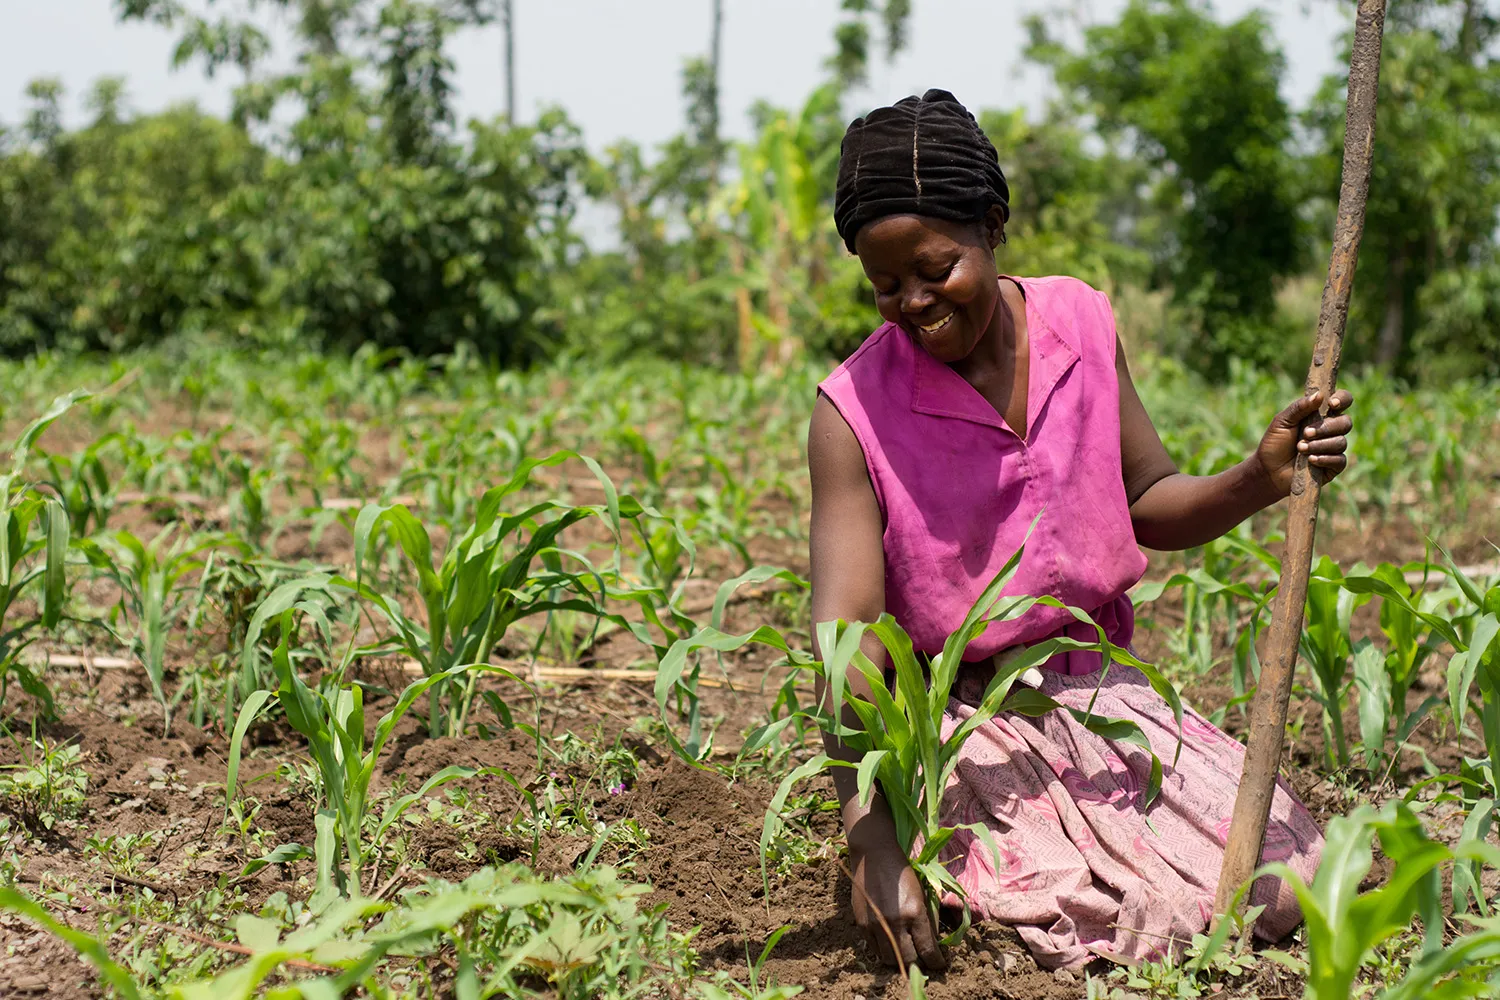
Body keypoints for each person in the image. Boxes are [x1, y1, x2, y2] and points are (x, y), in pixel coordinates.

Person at [809, 89, 1347, 973]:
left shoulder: (1081, 322)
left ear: (992, 225)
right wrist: (870, 839)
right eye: (884, 284)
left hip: (1105, 702)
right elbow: (848, 645)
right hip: (967, 720)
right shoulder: (852, 414)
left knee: (1285, 876)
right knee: (1103, 913)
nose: (912, 300)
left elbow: (1150, 499)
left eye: (934, 267)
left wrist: (1260, 479)